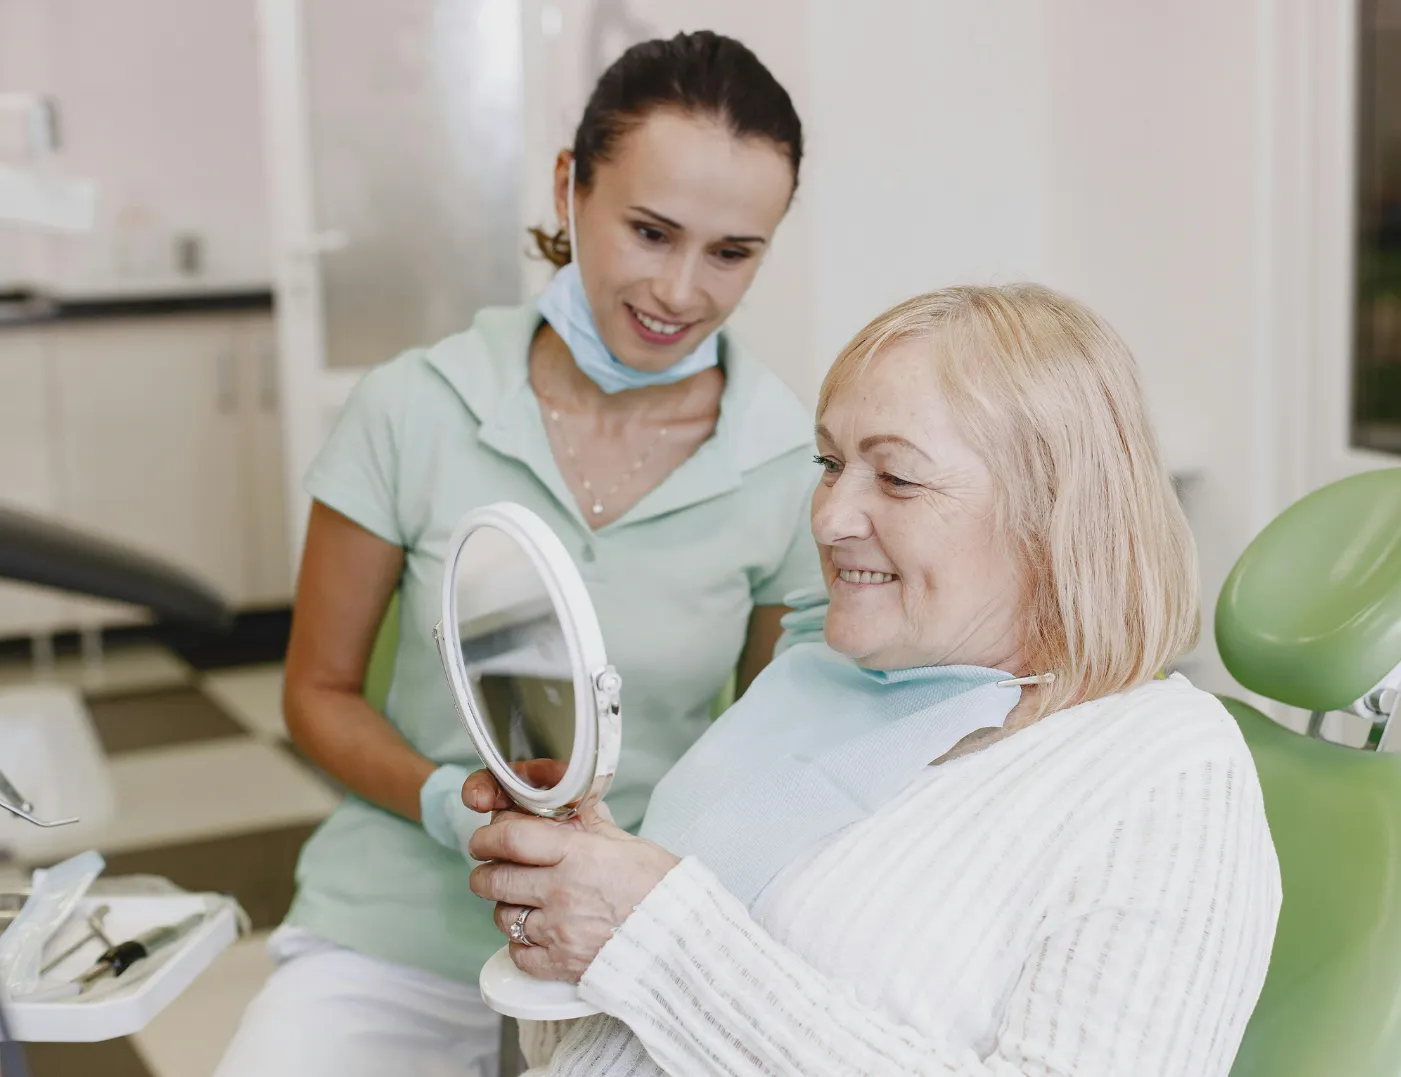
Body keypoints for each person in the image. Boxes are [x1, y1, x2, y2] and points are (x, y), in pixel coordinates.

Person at [466, 284, 1283, 1077]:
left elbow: (671, 955)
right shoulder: (819, 683)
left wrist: (654, 932)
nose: (827, 517)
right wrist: (574, 895)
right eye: (830, 463)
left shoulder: (1164, 774)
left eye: (895, 477)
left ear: (1055, 514)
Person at [214, 31, 819, 1077]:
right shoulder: (416, 406)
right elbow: (316, 691)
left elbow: (770, 747)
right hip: (400, 910)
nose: (680, 292)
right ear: (567, 190)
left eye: (731, 253)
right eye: (648, 231)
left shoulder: (785, 461)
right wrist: (448, 805)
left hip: (637, 934)